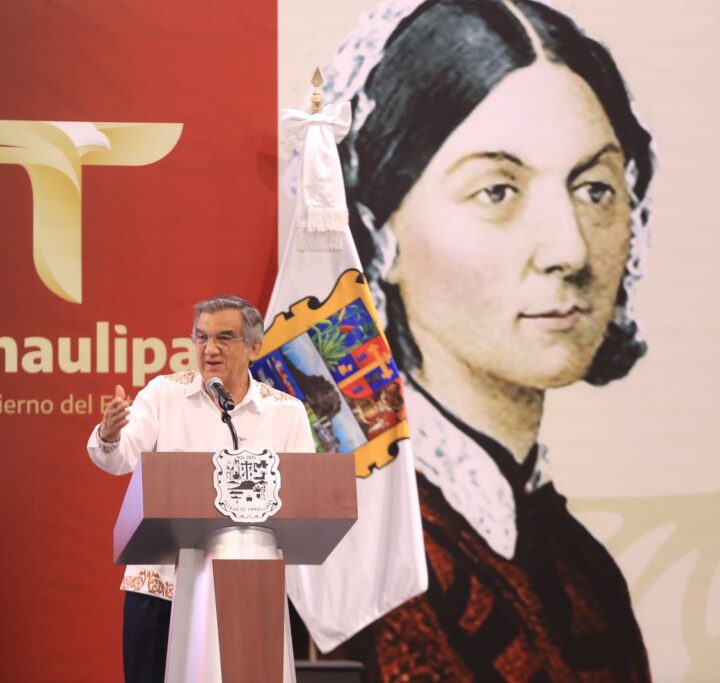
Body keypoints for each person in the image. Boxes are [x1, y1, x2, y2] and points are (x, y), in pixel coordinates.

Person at [304, 0, 655, 680]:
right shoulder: (366, 554)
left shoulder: (579, 566)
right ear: (379, 231)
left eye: (594, 189)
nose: (570, 250)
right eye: (497, 191)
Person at [88, 295, 315, 683]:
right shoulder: (163, 394)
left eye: (224, 337)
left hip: (248, 594)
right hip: (162, 588)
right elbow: (118, 458)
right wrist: (109, 435)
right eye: (201, 337)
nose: (209, 349)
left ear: (254, 347)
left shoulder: (285, 412)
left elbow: (305, 498)